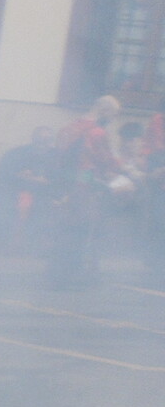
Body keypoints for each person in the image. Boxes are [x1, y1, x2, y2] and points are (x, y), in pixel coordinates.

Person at [49, 97, 129, 287]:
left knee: (66, 228)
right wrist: (124, 169)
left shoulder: (69, 128)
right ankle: (73, 274)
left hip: (64, 186)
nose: (113, 119)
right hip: (86, 186)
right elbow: (106, 160)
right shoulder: (97, 132)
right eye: (114, 115)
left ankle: (56, 271)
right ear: (105, 111)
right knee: (84, 229)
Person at [0, 126, 55, 252]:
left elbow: (62, 179)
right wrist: (21, 176)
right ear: (33, 139)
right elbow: (5, 174)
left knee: (48, 205)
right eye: (39, 139)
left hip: (47, 194)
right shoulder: (18, 154)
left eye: (47, 140)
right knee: (20, 202)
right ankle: (12, 244)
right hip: (18, 191)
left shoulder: (57, 157)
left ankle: (42, 245)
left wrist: (47, 182)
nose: (42, 144)